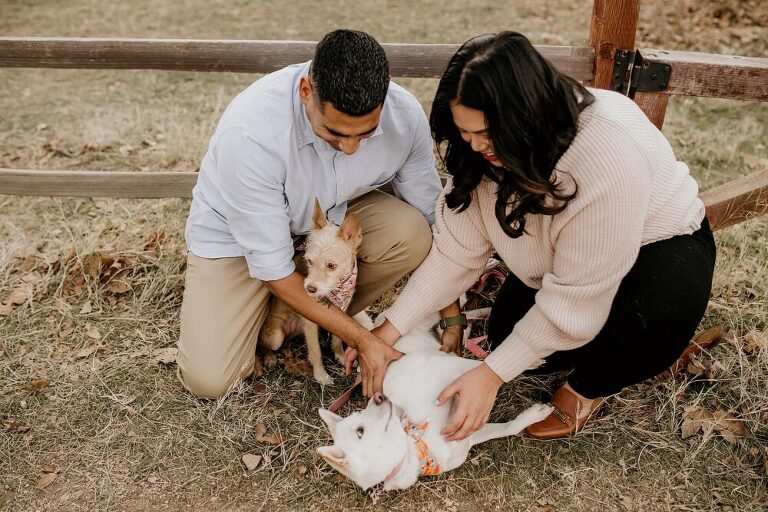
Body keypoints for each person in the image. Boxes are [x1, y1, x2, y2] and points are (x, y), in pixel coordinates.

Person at [360, 31, 716, 440]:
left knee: (644, 321)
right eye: (465, 132)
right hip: (560, 258)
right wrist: (388, 330)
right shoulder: (485, 151)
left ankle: (590, 387)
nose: (475, 146)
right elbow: (455, 253)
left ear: (524, 116)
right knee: (507, 334)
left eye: (487, 133)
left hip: (657, 250)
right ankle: (590, 343)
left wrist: (490, 376)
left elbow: (574, 297)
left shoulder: (605, 156)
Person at [177, 29, 443, 399]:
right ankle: (277, 308)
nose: (350, 149)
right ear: (306, 92)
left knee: (411, 232)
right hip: (236, 241)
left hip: (325, 228)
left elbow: (431, 214)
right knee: (210, 381)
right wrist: (364, 340)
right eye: (334, 133)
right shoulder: (251, 133)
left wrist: (452, 315)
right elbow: (272, 264)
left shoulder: (405, 115)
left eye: (365, 135)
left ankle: (303, 311)